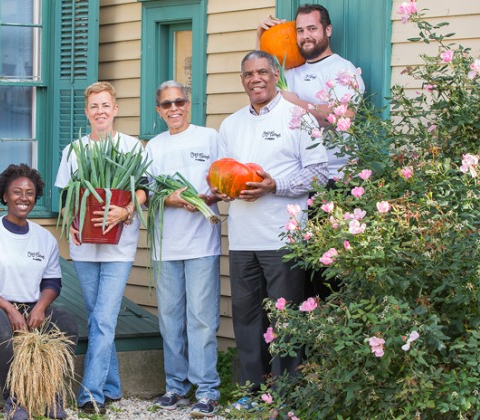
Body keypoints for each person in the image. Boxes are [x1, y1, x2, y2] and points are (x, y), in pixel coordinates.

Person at [215, 51, 328, 409]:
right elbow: (222, 176)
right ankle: (251, 392)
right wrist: (222, 190)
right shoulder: (230, 125)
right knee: (247, 319)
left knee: (287, 318)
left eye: (262, 71)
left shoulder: (298, 119)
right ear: (242, 79)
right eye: (248, 73)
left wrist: (273, 184)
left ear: (276, 74)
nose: (256, 79)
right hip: (243, 238)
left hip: (286, 238)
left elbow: (319, 174)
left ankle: (287, 395)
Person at [54, 81, 147, 414]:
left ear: (116, 109)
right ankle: (112, 386)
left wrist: (125, 210)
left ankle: (90, 394)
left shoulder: (133, 148)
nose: (100, 112)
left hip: (119, 246)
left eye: (105, 105)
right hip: (83, 248)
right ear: (86, 112)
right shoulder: (74, 150)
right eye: (94, 107)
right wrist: (71, 225)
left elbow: (144, 190)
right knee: (98, 317)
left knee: (104, 318)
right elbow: (65, 198)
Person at [0, 164, 78, 420]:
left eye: (29, 192)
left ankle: (52, 395)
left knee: (66, 323)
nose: (23, 198)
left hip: (30, 306)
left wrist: (38, 308)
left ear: (35, 197)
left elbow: (52, 283)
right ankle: (15, 400)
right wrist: (9, 309)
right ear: (4, 195)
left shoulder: (44, 237)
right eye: (16, 192)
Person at [144, 81, 222, 417]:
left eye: (179, 102)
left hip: (203, 242)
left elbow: (224, 180)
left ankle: (207, 390)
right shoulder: (153, 147)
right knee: (171, 319)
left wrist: (212, 196)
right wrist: (173, 199)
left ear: (188, 104)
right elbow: (146, 193)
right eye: (166, 104)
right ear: (158, 111)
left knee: (202, 319)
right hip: (167, 247)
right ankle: (176, 386)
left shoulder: (210, 137)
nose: (173, 108)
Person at [256, 3, 365, 185]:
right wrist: (262, 38)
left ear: (328, 30)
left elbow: (341, 117)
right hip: (296, 177)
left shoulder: (342, 69)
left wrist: (296, 103)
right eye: (300, 31)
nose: (305, 36)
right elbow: (259, 89)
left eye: (312, 29)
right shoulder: (290, 71)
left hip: (334, 177)